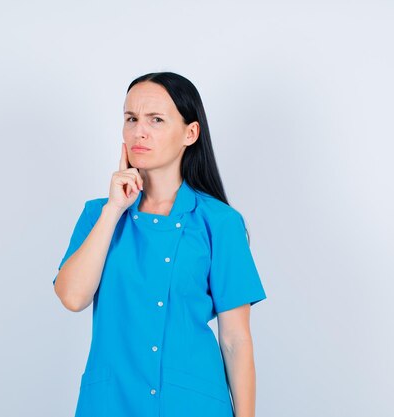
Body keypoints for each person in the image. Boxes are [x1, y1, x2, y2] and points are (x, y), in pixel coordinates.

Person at [53, 71, 267, 417]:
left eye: (156, 120)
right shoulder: (99, 215)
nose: (140, 131)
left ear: (190, 133)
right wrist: (114, 210)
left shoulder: (220, 222)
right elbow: (73, 297)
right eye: (131, 119)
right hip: (112, 403)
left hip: (193, 404)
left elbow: (235, 340)